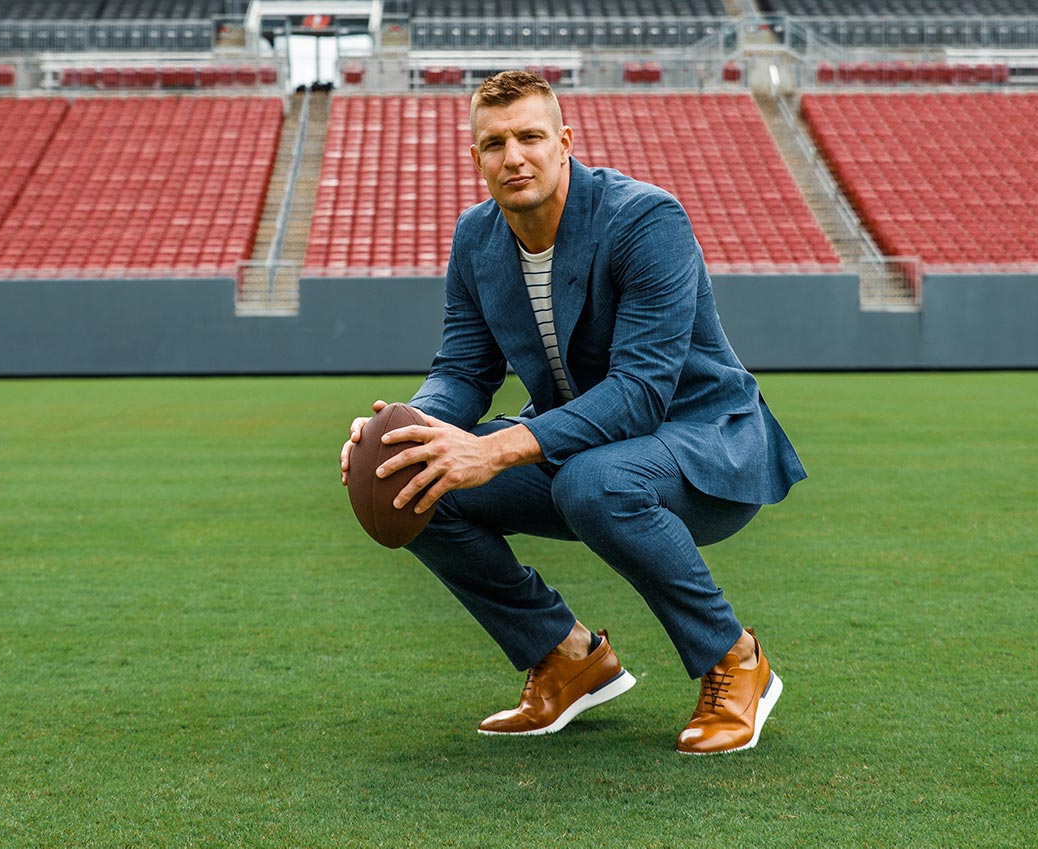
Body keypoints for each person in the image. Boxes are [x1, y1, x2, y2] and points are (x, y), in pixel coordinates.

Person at [338, 70, 806, 755]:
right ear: (475, 158)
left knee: (594, 481)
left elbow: (641, 390)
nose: (513, 156)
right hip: (580, 453)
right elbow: (464, 372)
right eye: (494, 143)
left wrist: (496, 449)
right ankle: (565, 657)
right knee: (413, 475)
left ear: (564, 143)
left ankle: (734, 660)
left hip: (702, 447)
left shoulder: (645, 219)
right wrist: (407, 429)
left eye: (529, 136)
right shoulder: (477, 238)